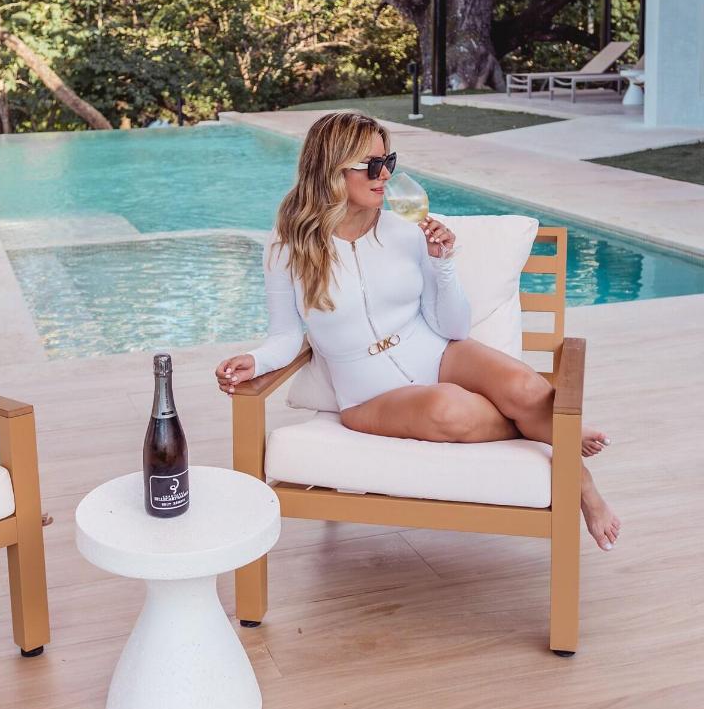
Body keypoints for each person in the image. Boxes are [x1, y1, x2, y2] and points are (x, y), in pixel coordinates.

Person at [215, 112, 620, 551]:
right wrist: (256, 360)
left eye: (388, 161)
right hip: (368, 393)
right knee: (450, 409)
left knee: (524, 386)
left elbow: (454, 327)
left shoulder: (407, 231)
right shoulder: (288, 246)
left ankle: (570, 460)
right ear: (332, 169)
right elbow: (285, 336)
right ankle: (561, 441)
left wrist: (442, 263)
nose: (385, 175)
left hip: (435, 350)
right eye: (372, 165)